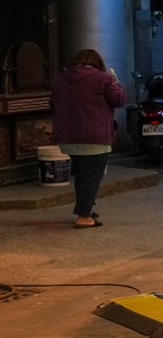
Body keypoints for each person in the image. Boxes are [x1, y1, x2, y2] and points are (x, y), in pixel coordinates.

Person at [51, 49, 126, 229]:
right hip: (95, 136)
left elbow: (52, 104)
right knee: (91, 177)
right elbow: (119, 100)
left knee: (81, 175)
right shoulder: (103, 79)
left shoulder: (60, 80)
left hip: (68, 137)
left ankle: (85, 209)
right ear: (97, 63)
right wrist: (116, 83)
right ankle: (84, 217)